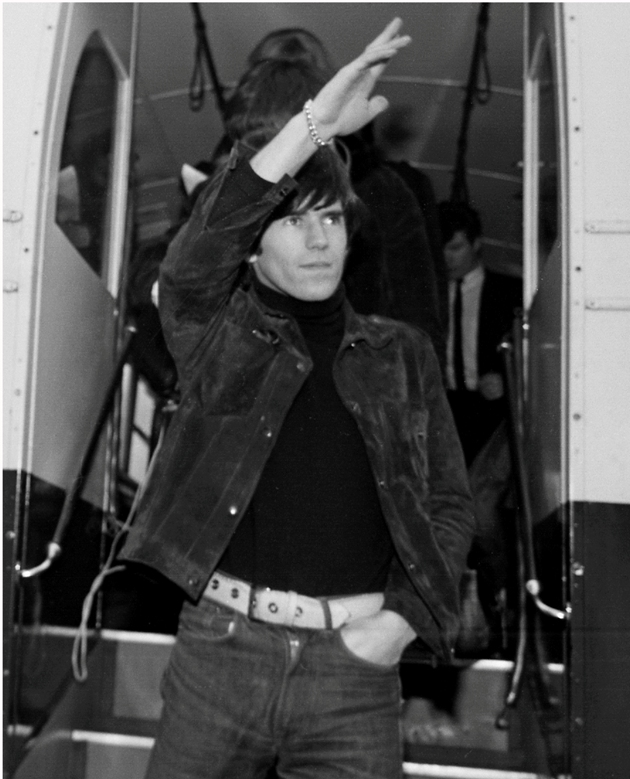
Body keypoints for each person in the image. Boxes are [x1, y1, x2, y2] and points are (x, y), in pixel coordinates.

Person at [120, 19, 474, 779]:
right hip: (221, 655)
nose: (319, 240)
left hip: (354, 672)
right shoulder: (219, 335)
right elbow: (190, 263)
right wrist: (313, 126)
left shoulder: (402, 355)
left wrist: (399, 624)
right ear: (252, 246)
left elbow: (448, 503)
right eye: (292, 221)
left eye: (332, 218)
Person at [439, 201, 522, 466]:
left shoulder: (509, 293)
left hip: (491, 412)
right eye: (441, 248)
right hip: (443, 409)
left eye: (456, 248)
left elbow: (533, 354)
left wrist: (507, 378)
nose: (447, 258)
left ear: (476, 244)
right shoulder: (428, 297)